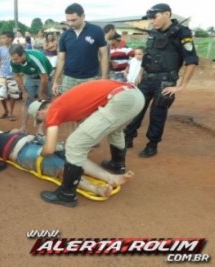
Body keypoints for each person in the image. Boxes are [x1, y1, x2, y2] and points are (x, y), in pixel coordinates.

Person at [27, 79, 145, 207]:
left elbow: (49, 149)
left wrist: (42, 153)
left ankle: (66, 195)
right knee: (115, 131)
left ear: (40, 113)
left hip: (121, 99)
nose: (43, 123)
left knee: (74, 145)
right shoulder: (64, 103)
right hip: (134, 96)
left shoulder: (54, 109)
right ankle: (117, 164)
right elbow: (84, 125)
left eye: (40, 120)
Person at [124, 3, 199, 158]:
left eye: (155, 17)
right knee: (136, 108)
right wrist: (140, 73)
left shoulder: (182, 33)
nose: (152, 21)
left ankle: (152, 145)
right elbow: (148, 55)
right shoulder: (153, 32)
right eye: (151, 18)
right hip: (146, 78)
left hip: (165, 82)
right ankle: (128, 138)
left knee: (157, 114)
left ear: (167, 14)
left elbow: (191, 60)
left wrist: (181, 86)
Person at [0, 131, 117, 197]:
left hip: (34, 141)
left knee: (73, 156)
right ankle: (96, 189)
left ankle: (110, 177)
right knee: (57, 165)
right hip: (21, 151)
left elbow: (15, 129)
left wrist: (15, 131)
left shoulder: (0, 133)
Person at [52, 3, 108, 95]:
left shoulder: (96, 31)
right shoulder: (65, 35)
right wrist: (56, 81)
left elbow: (104, 55)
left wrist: (104, 78)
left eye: (73, 20)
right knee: (68, 104)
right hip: (69, 77)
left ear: (83, 16)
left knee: (88, 105)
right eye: (68, 20)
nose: (70, 23)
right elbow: (61, 59)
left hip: (90, 77)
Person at [9, 44, 53, 134]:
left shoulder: (36, 59)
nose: (13, 61)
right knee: (26, 102)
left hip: (45, 76)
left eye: (16, 59)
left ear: (23, 55)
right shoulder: (13, 61)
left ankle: (40, 130)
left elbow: (44, 78)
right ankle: (23, 127)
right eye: (12, 59)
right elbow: (17, 76)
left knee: (43, 103)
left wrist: (42, 92)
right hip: (30, 76)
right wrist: (24, 91)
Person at [0, 31, 19, 121]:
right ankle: (5, 111)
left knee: (13, 95)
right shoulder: (0, 49)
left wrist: (19, 74)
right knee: (2, 95)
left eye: (4, 38)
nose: (2, 40)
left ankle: (11, 113)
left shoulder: (17, 48)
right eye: (2, 38)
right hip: (2, 74)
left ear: (10, 38)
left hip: (13, 75)